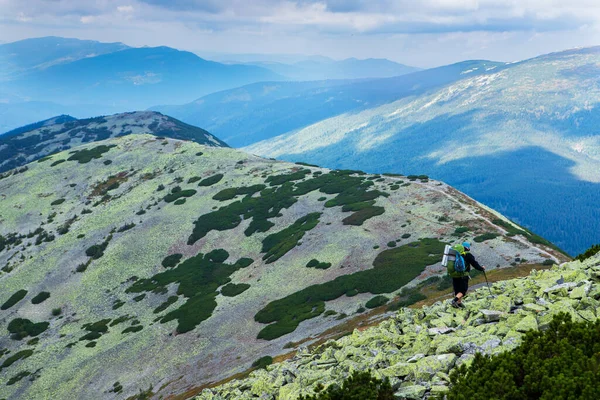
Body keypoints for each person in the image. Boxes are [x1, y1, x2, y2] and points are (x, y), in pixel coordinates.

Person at [451, 241, 485, 308]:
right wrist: (481, 268)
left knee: (457, 290)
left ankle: (459, 302)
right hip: (463, 275)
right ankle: (454, 301)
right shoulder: (468, 255)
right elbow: (475, 264)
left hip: (455, 275)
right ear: (468, 248)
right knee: (463, 291)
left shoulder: (456, 254)